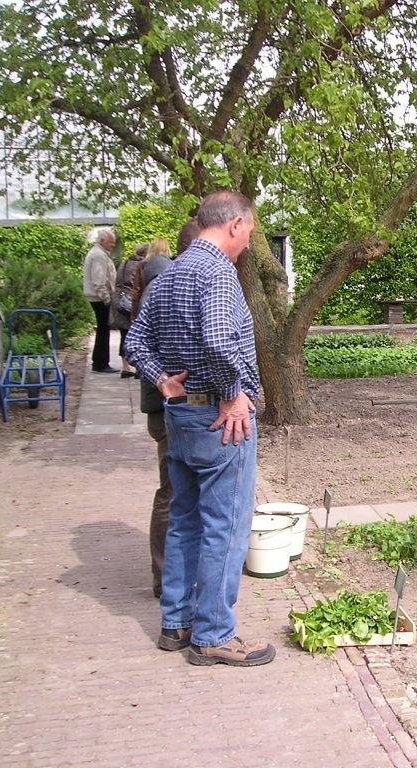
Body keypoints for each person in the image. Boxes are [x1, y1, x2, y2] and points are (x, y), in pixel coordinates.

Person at [125, 193, 274, 667]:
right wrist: (233, 394)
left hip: (181, 417)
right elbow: (215, 338)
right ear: (233, 224)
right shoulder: (216, 273)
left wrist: (160, 377)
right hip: (218, 418)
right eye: (249, 229)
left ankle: (177, 623)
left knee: (185, 520)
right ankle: (212, 634)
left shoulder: (169, 275)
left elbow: (135, 340)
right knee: (225, 528)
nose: (249, 241)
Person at [135, 221, 199, 600]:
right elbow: (140, 347)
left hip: (165, 406)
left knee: (175, 490)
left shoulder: (160, 281)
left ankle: (172, 576)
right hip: (170, 407)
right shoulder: (172, 286)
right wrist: (164, 384)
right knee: (173, 491)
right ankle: (166, 580)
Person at [110, 243, 148, 378]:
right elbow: (139, 286)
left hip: (120, 301)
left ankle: (125, 367)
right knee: (137, 336)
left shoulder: (124, 263)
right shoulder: (142, 265)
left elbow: (117, 281)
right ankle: (138, 369)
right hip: (132, 303)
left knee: (124, 335)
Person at [82, 227, 117, 373]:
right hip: (99, 298)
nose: (112, 245)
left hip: (98, 297)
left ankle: (100, 362)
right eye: (110, 242)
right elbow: (99, 281)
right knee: (103, 330)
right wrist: (107, 299)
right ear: (102, 241)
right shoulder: (98, 255)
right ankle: (101, 363)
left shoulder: (99, 253)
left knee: (103, 329)